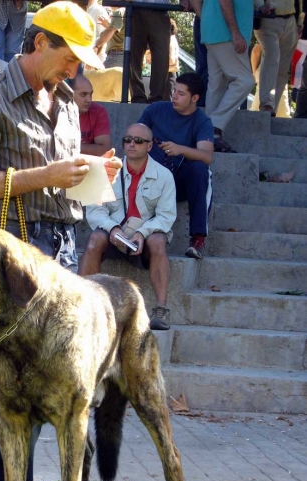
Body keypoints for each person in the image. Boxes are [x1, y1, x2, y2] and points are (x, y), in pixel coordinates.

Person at [0, 1, 120, 481]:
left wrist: (90, 171)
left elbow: (58, 176)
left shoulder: (65, 98)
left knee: (38, 374)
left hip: (58, 251)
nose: (76, 69)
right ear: (40, 43)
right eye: (70, 56)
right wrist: (48, 174)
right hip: (8, 255)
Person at [79, 123, 176, 331]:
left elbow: (166, 217)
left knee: (159, 240)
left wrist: (143, 233)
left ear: (149, 146)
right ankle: (83, 303)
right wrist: (113, 228)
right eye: (127, 140)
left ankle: (161, 309)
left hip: (144, 242)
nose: (131, 144)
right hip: (114, 237)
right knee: (95, 238)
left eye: (138, 141)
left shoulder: (164, 176)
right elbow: (95, 212)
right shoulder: (106, 171)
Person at [138, 72, 214, 260]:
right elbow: (135, 135)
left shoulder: (202, 121)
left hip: (179, 181)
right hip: (149, 175)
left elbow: (207, 156)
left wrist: (180, 149)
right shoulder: (155, 110)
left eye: (181, 93)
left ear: (194, 98)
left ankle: (198, 238)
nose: (174, 96)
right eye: (174, 91)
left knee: (200, 170)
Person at [196, 0, 254, 152]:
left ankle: (209, 138)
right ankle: (213, 125)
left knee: (217, 83)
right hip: (227, 35)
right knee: (245, 81)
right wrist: (235, 33)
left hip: (213, 32)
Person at [253, 0, 302, 116]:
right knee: (272, 59)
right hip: (268, 19)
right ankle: (266, 104)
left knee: (283, 69)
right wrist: (261, 6)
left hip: (290, 21)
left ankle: (273, 108)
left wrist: (299, 22)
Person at [128, 2, 171, 104]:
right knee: (133, 57)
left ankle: (157, 98)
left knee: (161, 57)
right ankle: (137, 96)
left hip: (160, 9)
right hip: (136, 8)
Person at [69, 74, 112, 156]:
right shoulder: (57, 111)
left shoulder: (98, 111)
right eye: (83, 95)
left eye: (90, 94)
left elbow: (104, 150)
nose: (88, 100)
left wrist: (70, 147)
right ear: (69, 93)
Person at [164, 19, 180, 101]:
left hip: (168, 74)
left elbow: (172, 59)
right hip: (171, 74)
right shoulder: (173, 39)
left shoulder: (169, 41)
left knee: (166, 101)